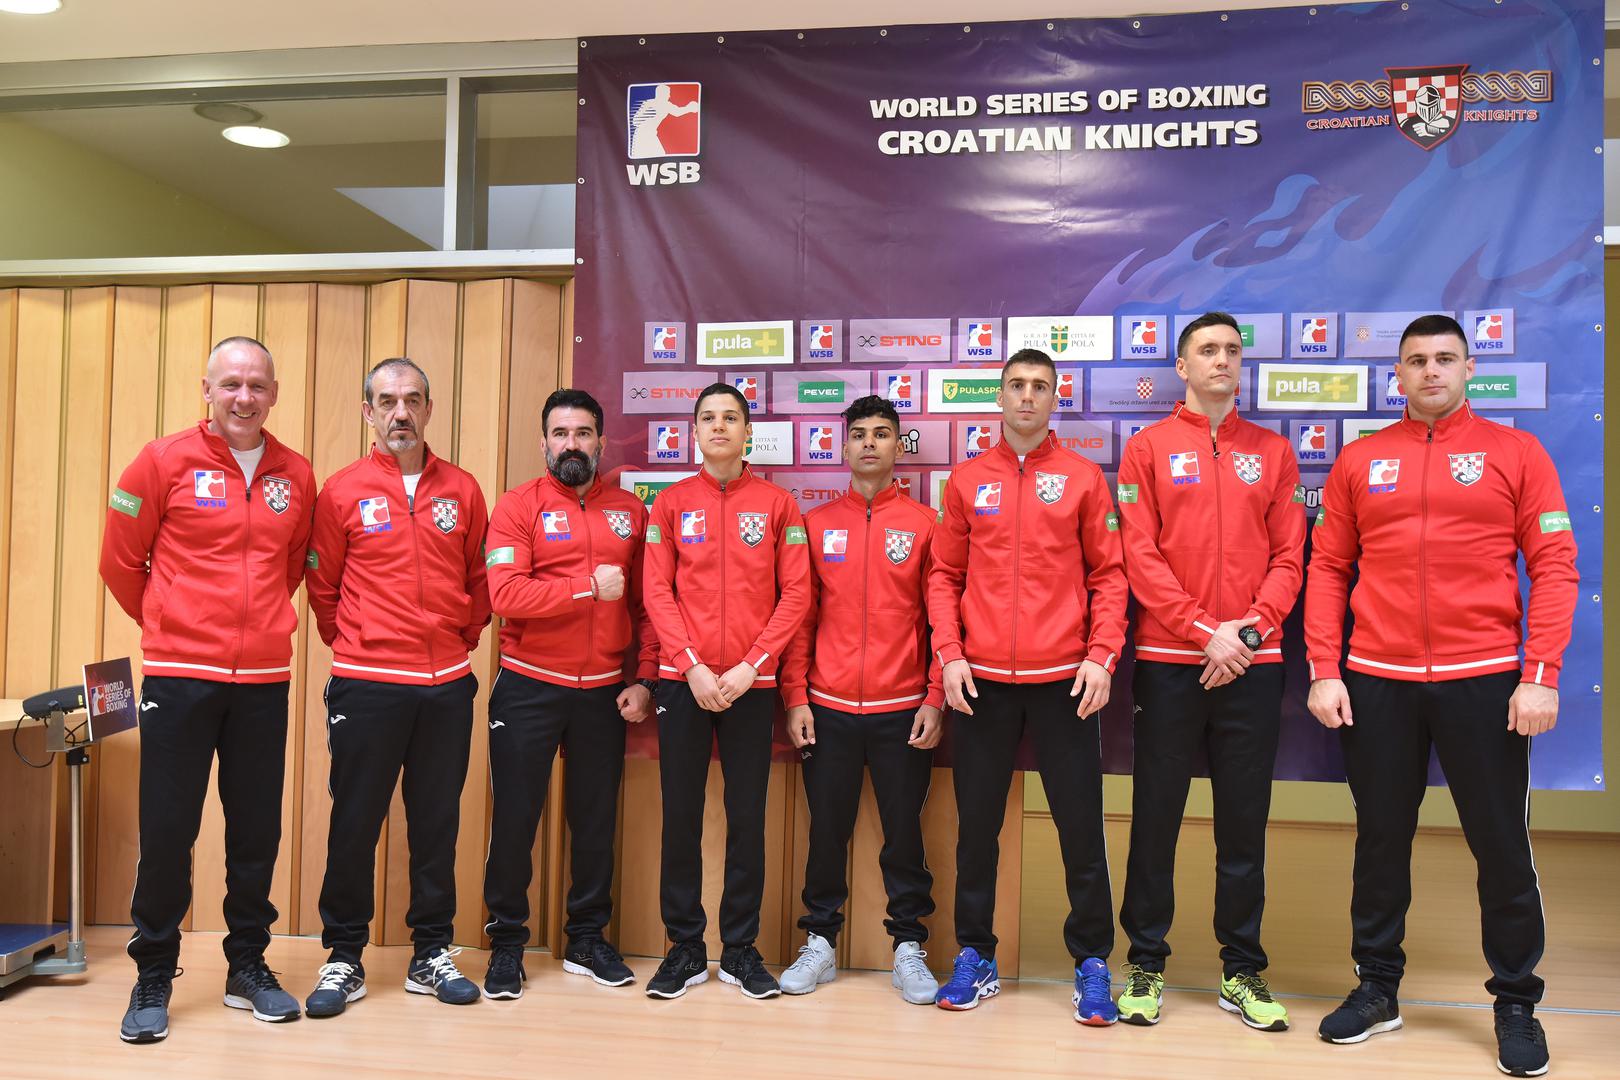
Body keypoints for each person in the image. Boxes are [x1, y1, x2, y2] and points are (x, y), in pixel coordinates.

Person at [1304, 314, 1576, 1077]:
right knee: (1380, 841)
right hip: (1377, 681)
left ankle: (1516, 1001)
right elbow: (1327, 568)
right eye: (1417, 360)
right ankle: (1377, 988)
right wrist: (1325, 666)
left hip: (1484, 680)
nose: (1431, 371)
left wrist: (1540, 673)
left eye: (1445, 359)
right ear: (1397, 374)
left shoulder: (1516, 453)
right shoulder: (1362, 460)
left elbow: (1554, 564)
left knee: (1502, 845)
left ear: (1468, 369)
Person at [101, 336, 315, 1042]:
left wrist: (252, 629)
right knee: (168, 832)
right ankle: (153, 973)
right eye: (231, 384)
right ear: (207, 389)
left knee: (256, 834)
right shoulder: (161, 461)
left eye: (257, 385)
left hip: (262, 682)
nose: (244, 397)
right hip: (179, 678)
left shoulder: (296, 473)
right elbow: (120, 561)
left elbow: (290, 566)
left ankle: (247, 967)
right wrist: (173, 624)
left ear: (273, 393)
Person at [1114, 312, 1305, 1030]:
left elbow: (1290, 557)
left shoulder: (1273, 453)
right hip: (1172, 662)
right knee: (1155, 819)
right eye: (1207, 350)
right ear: (1182, 366)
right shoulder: (1147, 449)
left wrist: (1246, 633)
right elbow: (1139, 556)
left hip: (1253, 662)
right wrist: (1203, 632)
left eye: (1231, 350)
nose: (1221, 360)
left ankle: (1242, 970)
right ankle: (1145, 962)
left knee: (1243, 827)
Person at [925, 349, 1129, 1023]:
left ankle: (1092, 962)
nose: (1027, 396)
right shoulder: (967, 479)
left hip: (1065, 682)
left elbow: (1109, 576)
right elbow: (943, 577)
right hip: (981, 682)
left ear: (1054, 398)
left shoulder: (1082, 479)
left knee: (1080, 828)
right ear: (1000, 396)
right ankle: (975, 955)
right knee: (977, 829)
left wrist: (1101, 656)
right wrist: (950, 654)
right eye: (1016, 384)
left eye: (1040, 386)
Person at [303, 358, 491, 1016]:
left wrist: (457, 641)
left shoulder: (463, 489)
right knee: (355, 823)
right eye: (387, 401)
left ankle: (430, 953)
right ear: (368, 412)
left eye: (412, 400)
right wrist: (359, 642)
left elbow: (480, 583)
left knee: (437, 823)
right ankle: (343, 955)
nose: (400, 413)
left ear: (429, 409)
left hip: (446, 686)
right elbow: (323, 587)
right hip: (368, 685)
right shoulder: (341, 491)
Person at [479, 389, 657, 999]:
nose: (572, 444)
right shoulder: (517, 506)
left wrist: (645, 678)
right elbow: (505, 594)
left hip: (603, 692)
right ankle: (507, 942)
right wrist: (585, 587)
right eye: (561, 433)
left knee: (595, 822)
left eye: (583, 433)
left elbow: (646, 605)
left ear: (601, 441)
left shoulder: (630, 512)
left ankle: (586, 938)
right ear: (544, 443)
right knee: (515, 819)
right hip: (529, 684)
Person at [640, 382, 812, 1000]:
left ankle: (739, 949)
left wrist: (751, 666)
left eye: (730, 417)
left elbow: (797, 594)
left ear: (747, 433)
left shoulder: (778, 505)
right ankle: (685, 948)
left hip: (751, 684)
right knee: (681, 816)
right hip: (682, 683)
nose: (719, 426)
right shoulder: (669, 504)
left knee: (747, 817)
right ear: (694, 432)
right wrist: (689, 666)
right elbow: (656, 591)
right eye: (708, 418)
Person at [777, 395, 943, 1005]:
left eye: (882, 433)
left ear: (899, 446)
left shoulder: (926, 524)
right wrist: (796, 696)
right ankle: (820, 941)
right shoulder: (816, 524)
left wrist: (934, 697)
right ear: (843, 447)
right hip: (828, 708)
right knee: (826, 833)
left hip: (904, 710)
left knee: (904, 836)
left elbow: (940, 619)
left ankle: (909, 948)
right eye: (859, 434)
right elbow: (801, 619)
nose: (869, 443)